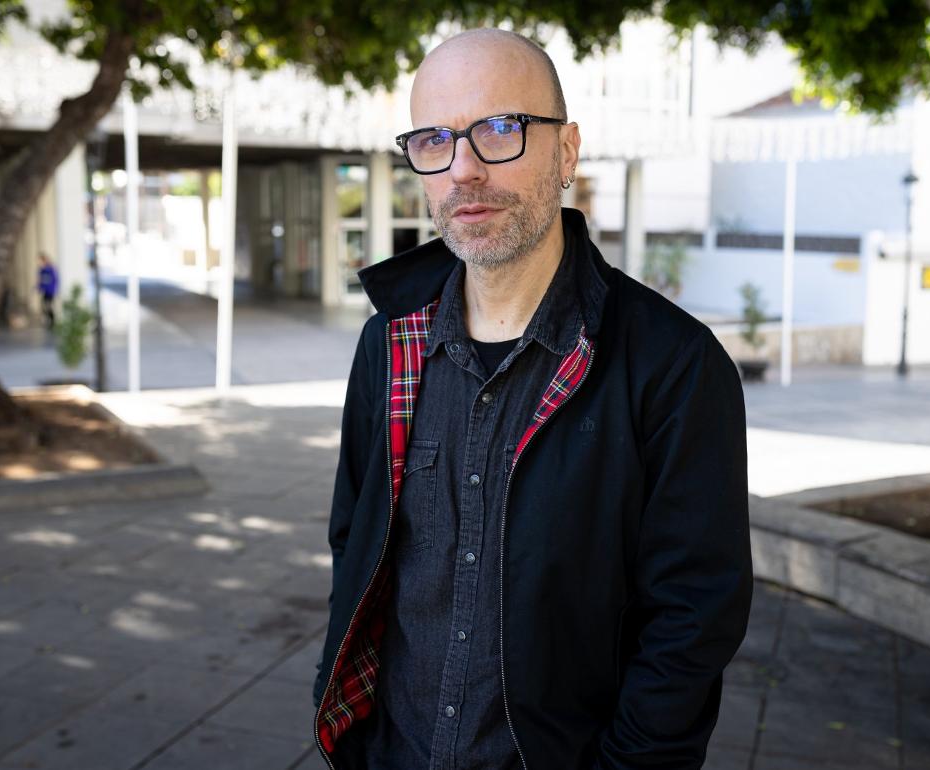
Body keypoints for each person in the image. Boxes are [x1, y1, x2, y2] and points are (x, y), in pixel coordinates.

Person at [313, 28, 752, 770]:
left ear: (567, 152)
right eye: (434, 140)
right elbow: (353, 545)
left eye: (500, 128)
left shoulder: (674, 365)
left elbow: (692, 620)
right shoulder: (388, 345)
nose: (465, 168)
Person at [37, 252, 58, 330]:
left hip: (50, 291)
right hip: (45, 291)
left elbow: (54, 280)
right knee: (44, 306)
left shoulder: (50, 269)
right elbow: (41, 281)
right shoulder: (41, 270)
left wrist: (54, 289)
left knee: (49, 306)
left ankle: (52, 322)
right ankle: (48, 321)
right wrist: (38, 288)